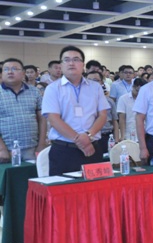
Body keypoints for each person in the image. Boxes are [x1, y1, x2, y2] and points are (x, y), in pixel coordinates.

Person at [42, 46, 110, 175]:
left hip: (93, 148)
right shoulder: (52, 89)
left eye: (76, 59)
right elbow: (53, 119)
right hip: (64, 150)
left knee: (94, 186)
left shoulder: (95, 87)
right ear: (61, 65)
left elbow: (102, 115)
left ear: (83, 64)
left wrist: (88, 136)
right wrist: (81, 141)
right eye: (66, 60)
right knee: (63, 187)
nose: (71, 63)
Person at [0, 58, 47, 162]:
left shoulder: (35, 92)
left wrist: (41, 144)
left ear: (23, 73)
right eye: (6, 69)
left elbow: (42, 118)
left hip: (32, 148)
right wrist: (1, 148)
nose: (10, 72)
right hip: (6, 150)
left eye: (14, 69)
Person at [86, 70, 119, 152]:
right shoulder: (80, 102)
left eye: (95, 80)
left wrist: (116, 140)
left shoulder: (109, 101)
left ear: (101, 82)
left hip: (106, 137)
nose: (91, 83)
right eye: (88, 80)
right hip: (88, 138)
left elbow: (115, 121)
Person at [116, 78, 146, 142]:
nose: (139, 93)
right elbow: (122, 118)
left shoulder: (146, 99)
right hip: (128, 133)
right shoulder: (123, 99)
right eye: (137, 90)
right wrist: (123, 136)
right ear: (133, 87)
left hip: (144, 133)